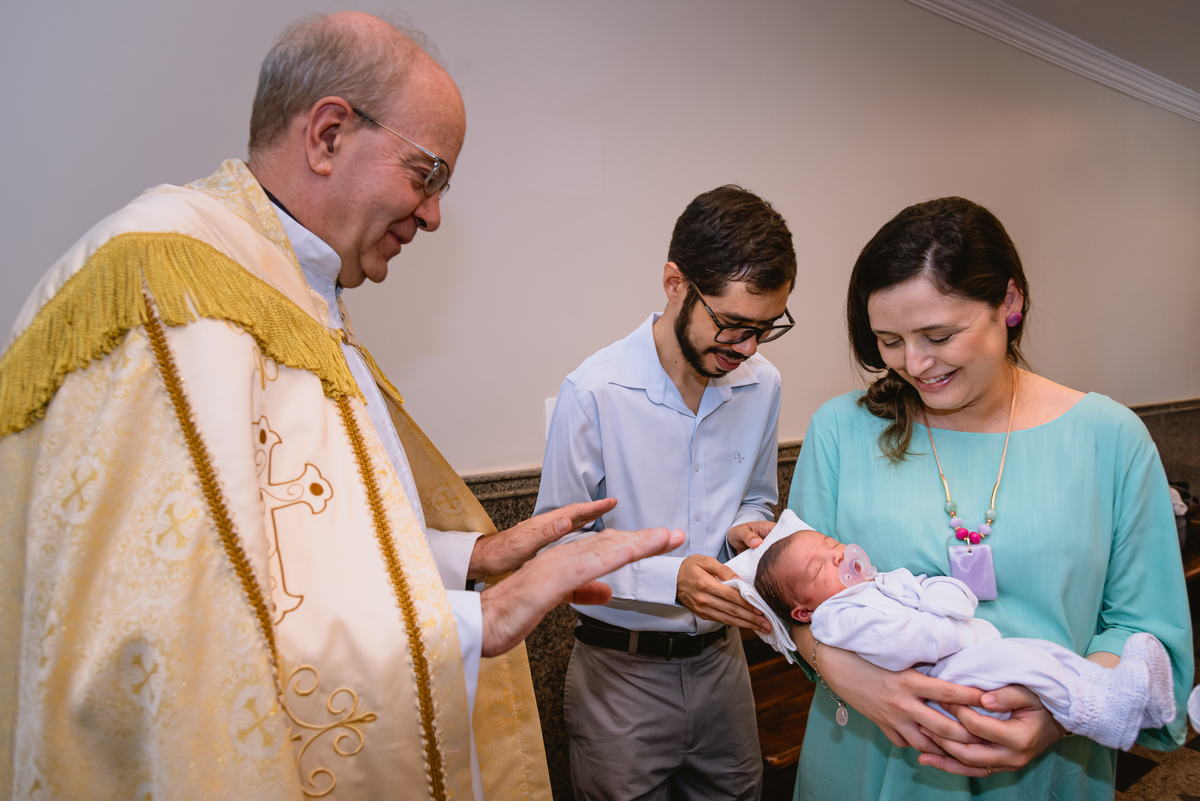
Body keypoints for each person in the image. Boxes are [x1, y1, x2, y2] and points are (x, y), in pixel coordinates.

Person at [0, 13, 686, 800]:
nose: (431, 214)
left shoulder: (290, 290)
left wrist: (470, 560)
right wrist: (481, 618)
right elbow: (164, 643)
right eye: (426, 174)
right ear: (328, 134)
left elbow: (304, 549)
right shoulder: (168, 285)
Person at [781, 196, 1192, 800]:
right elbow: (785, 596)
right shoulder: (841, 430)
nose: (914, 365)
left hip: (1044, 774)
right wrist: (848, 674)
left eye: (938, 335)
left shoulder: (1109, 437)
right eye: (889, 341)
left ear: (1011, 302)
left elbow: (1141, 628)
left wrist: (1060, 713)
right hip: (863, 766)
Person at [534, 185, 796, 799]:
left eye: (764, 329)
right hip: (619, 676)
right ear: (675, 283)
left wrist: (746, 529)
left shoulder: (763, 386)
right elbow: (552, 554)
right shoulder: (594, 392)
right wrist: (668, 579)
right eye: (731, 324)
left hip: (725, 666)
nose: (746, 349)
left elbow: (757, 498)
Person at [741, 519, 1176, 752]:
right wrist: (943, 621)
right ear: (804, 610)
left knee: (1043, 654)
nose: (836, 555)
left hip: (969, 655)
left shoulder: (879, 582)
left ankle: (1129, 697)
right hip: (944, 678)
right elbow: (901, 643)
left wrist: (936, 592)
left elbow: (944, 592)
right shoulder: (836, 616)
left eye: (831, 543)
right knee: (1030, 665)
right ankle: (1097, 711)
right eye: (819, 567)